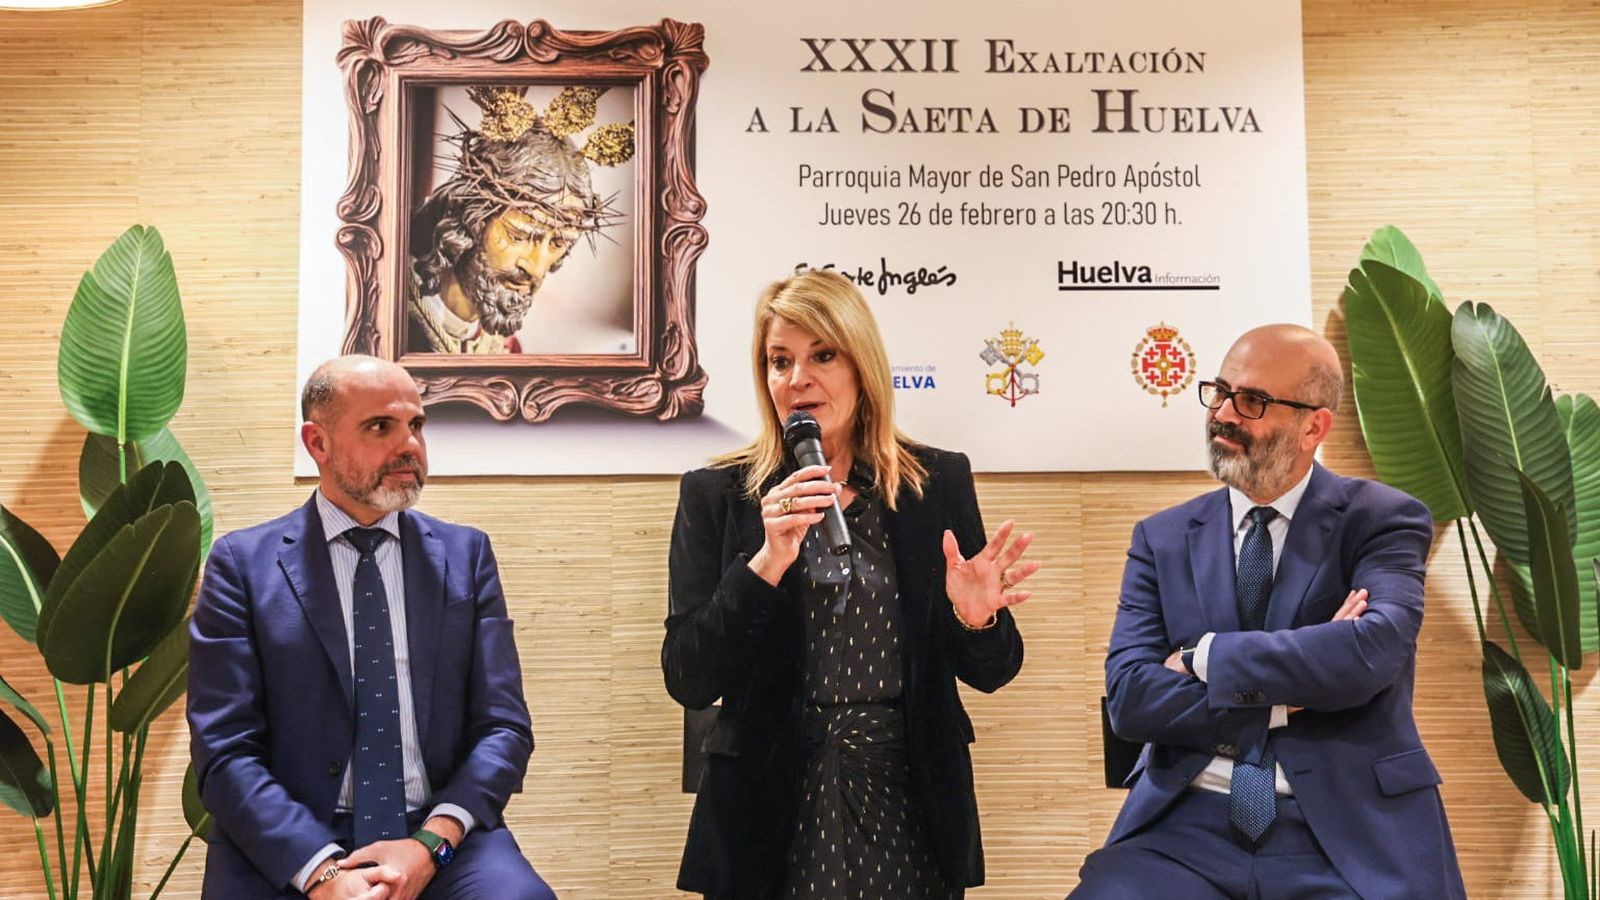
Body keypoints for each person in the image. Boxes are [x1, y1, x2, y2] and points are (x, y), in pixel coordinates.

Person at [662, 269, 1039, 899]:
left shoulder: (934, 483)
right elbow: (689, 677)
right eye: (779, 361)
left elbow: (993, 670)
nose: (797, 379)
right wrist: (765, 563)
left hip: (910, 797)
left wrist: (976, 619)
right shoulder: (718, 495)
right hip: (767, 802)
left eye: (822, 356)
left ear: (862, 365)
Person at [1072, 325, 1465, 899]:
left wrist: (1202, 656)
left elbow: (1370, 653)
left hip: (1349, 831)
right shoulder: (1163, 538)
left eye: (1252, 401)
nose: (1223, 414)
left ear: (1314, 427)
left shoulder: (1381, 520)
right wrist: (1285, 698)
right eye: (1220, 392)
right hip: (1184, 827)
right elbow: (1131, 699)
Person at [187, 355, 555, 899]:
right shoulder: (242, 566)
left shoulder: (466, 555)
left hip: (436, 833)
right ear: (318, 443)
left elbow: (504, 728)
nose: (409, 445)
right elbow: (224, 751)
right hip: (290, 841)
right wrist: (322, 873)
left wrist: (431, 845)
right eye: (381, 426)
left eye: (416, 425)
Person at [406, 85, 634, 355]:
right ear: (470, 218)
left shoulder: (506, 350)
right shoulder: (394, 320)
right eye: (519, 235)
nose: (536, 268)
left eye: (558, 243)